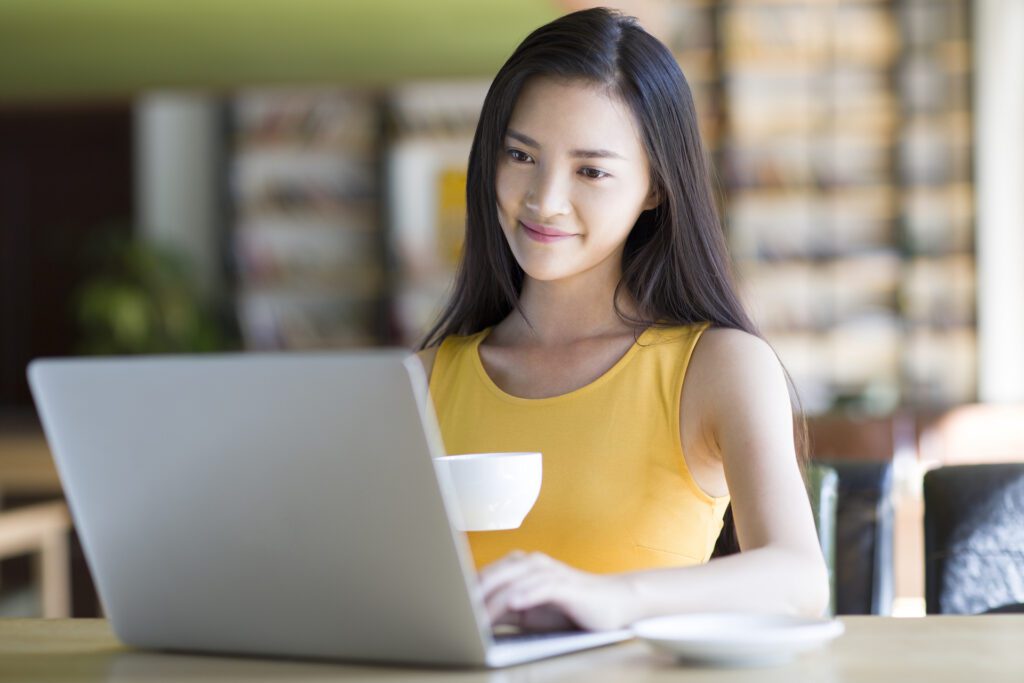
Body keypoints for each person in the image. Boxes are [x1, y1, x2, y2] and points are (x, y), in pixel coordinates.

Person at [414, 7, 829, 632]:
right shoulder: (422, 379)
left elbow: (800, 580)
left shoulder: (718, 368)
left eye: (591, 170)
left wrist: (616, 599)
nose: (544, 200)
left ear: (655, 187)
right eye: (521, 156)